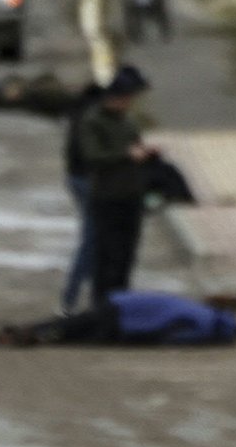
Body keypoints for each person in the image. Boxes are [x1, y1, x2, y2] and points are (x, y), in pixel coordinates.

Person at [63, 68, 169, 309]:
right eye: (127, 98)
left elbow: (135, 145)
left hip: (131, 193)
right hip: (106, 194)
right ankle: (92, 302)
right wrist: (126, 155)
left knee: (125, 253)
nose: (129, 103)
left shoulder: (127, 121)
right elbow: (93, 156)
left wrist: (146, 154)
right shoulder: (93, 119)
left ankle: (120, 302)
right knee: (103, 251)